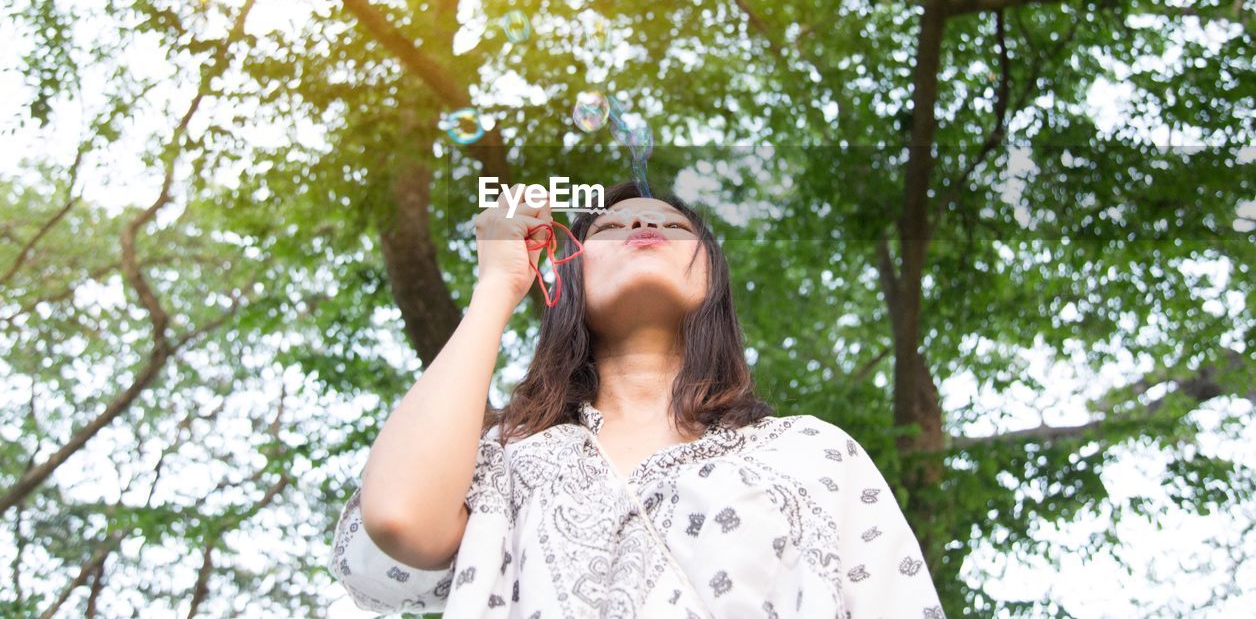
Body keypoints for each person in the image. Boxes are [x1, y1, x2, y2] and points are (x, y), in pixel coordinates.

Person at [328, 180, 945, 617]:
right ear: (565, 276)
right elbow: (398, 521)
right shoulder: (500, 459)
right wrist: (497, 284)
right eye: (609, 227)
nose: (642, 226)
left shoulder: (810, 454)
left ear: (713, 279)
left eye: (672, 226)